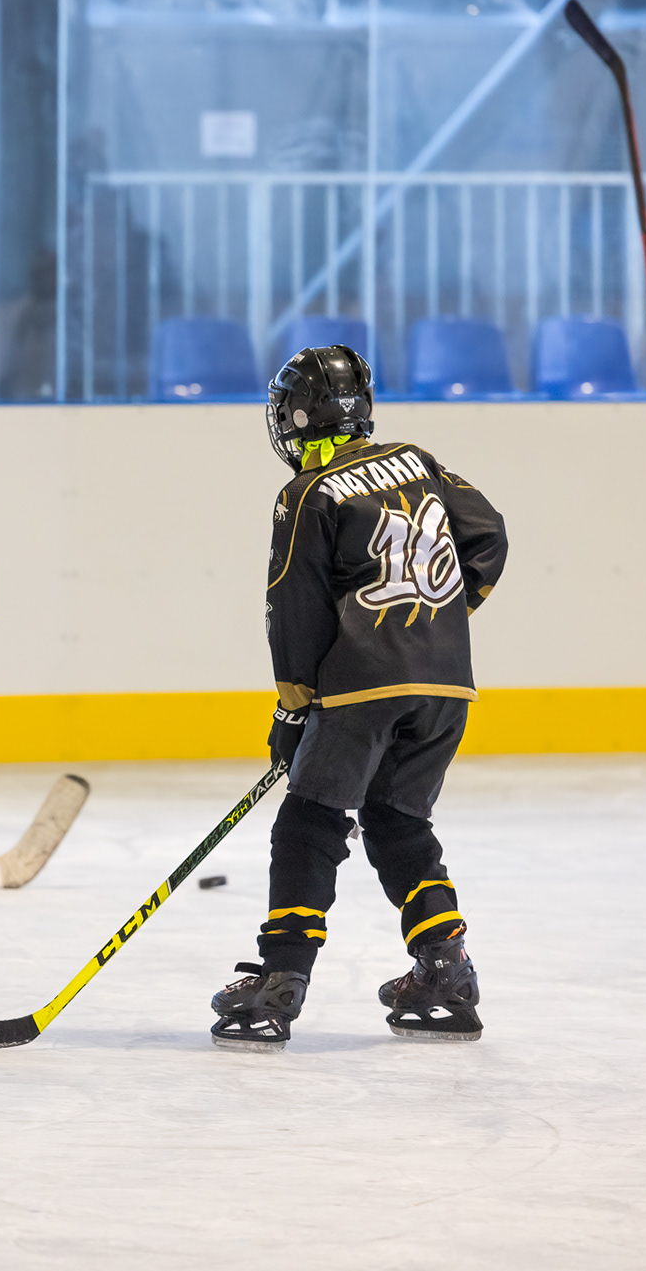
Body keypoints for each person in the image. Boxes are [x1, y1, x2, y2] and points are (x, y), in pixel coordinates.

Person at [210, 345, 508, 1053]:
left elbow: (295, 613)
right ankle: (446, 971)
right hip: (447, 684)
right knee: (397, 820)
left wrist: (291, 711)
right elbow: (489, 535)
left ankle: (281, 977)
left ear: (300, 418)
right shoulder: (419, 461)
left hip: (365, 685)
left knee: (309, 822)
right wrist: (438, 622)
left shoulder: (307, 493)